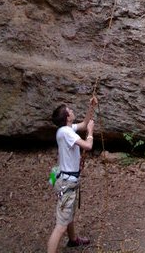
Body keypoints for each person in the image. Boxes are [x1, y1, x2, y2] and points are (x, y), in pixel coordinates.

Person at [47, 96, 97, 252]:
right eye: (70, 110)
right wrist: (90, 132)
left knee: (69, 214)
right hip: (67, 182)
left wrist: (91, 107)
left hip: (67, 180)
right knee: (60, 227)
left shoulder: (65, 130)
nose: (72, 110)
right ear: (68, 117)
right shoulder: (66, 133)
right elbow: (88, 146)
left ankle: (73, 240)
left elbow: (83, 124)